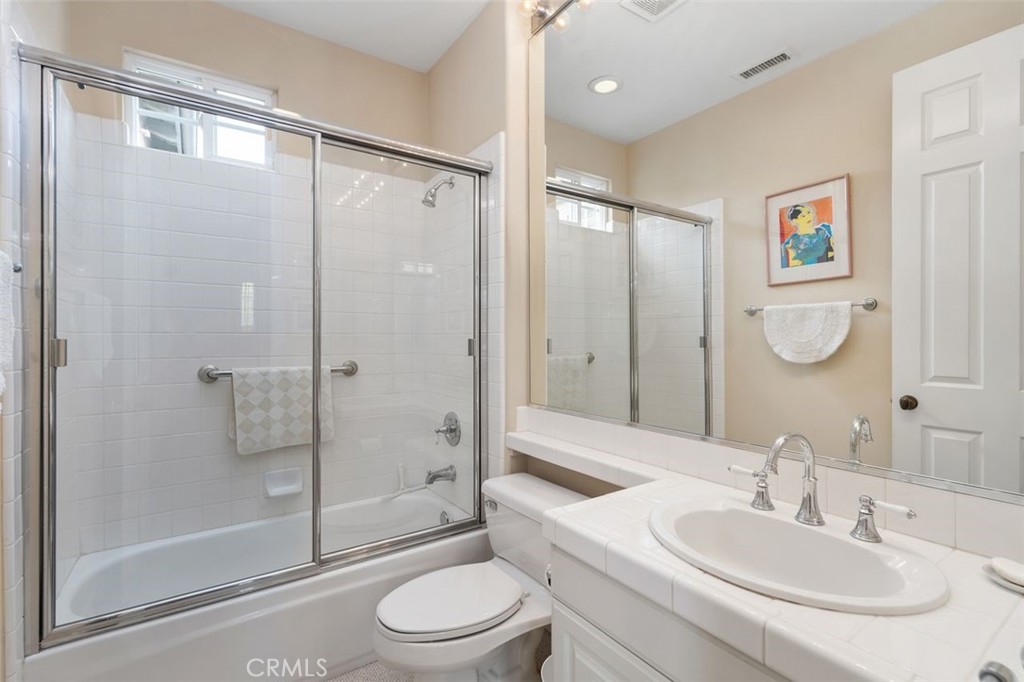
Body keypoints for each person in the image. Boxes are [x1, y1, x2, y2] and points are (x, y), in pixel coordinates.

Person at [781, 203, 834, 268]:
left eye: (808, 212)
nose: (808, 217)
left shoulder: (825, 229)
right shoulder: (791, 242)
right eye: (803, 216)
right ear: (794, 221)